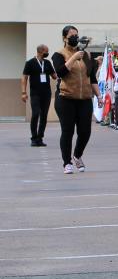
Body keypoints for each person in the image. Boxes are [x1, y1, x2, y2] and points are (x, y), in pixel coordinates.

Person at [51, 26, 100, 174]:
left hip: (84, 98)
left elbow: (91, 77)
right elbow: (60, 72)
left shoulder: (86, 55)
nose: (75, 37)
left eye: (76, 35)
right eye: (72, 35)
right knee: (68, 131)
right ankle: (67, 162)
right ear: (65, 38)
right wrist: (73, 58)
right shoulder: (59, 54)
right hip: (66, 98)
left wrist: (99, 95)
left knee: (85, 131)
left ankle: (77, 155)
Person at [22, 44, 55, 147]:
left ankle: (40, 138)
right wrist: (23, 92)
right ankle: (33, 138)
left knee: (44, 115)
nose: (47, 53)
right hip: (35, 93)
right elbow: (24, 77)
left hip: (46, 93)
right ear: (41, 51)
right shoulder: (30, 63)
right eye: (46, 51)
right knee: (36, 113)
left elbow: (54, 76)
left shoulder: (48, 63)